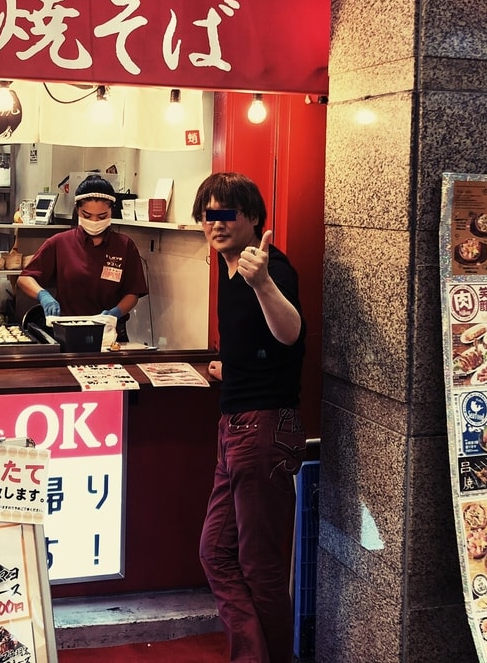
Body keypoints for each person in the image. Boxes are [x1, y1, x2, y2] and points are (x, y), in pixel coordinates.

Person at [191, 172, 306, 663]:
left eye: (225, 214)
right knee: (216, 552)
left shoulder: (268, 267)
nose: (214, 224)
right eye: (207, 215)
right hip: (235, 427)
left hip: (263, 431)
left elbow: (290, 333)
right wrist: (229, 366)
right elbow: (260, 347)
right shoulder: (228, 267)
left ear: (254, 218)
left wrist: (263, 285)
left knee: (261, 568)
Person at [16, 175, 148, 338]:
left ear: (111, 212)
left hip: (111, 332)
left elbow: (133, 293)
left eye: (102, 216)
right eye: (87, 215)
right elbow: (25, 278)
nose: (94, 221)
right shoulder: (59, 243)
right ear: (78, 210)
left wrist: (115, 313)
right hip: (67, 332)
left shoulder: (124, 246)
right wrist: (43, 295)